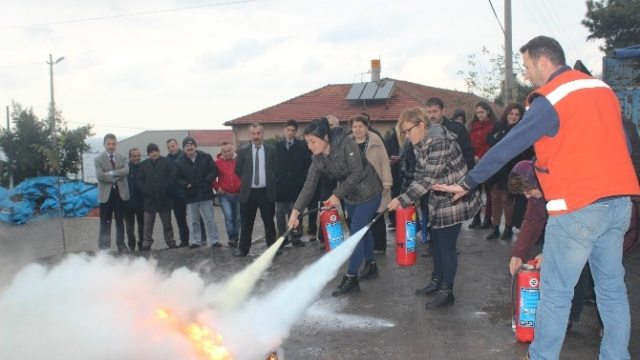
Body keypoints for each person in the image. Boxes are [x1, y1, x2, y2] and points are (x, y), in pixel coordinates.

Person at [434, 36, 639, 359]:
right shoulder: (601, 90)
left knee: (555, 293)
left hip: (578, 208)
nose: (527, 75)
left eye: (527, 67)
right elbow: (625, 146)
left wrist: (469, 181)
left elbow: (511, 143)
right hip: (618, 204)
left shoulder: (554, 97)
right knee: (611, 290)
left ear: (545, 62)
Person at [388, 107, 481, 308]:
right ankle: (436, 281)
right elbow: (420, 175)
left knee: (446, 245)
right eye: (403, 132)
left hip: (455, 197)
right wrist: (406, 195)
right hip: (437, 197)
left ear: (421, 125)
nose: (406, 135)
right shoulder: (418, 142)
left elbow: (429, 178)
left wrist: (402, 199)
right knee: (436, 242)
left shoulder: (439, 142)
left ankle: (447, 291)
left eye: (408, 130)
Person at [288, 118, 383, 296]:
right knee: (363, 230)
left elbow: (357, 173)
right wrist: (296, 211)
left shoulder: (347, 144)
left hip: (369, 192)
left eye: (313, 141)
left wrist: (336, 195)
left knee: (356, 233)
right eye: (308, 142)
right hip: (351, 197)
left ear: (325, 137)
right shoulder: (317, 159)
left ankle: (351, 277)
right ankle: (371, 265)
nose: (310, 146)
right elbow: (309, 186)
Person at [507, 160, 602, 335]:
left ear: (538, 182)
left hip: (593, 223)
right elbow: (532, 220)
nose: (528, 196)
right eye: (524, 194)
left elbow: (572, 222)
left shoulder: (562, 185)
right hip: (575, 228)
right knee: (576, 270)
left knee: (602, 278)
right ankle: (566, 318)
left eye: (529, 191)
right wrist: (518, 253)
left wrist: (550, 251)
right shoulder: (538, 192)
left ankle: (607, 326)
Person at [485, 103, 533, 240]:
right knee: (495, 198)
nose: (513, 117)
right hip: (496, 169)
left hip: (512, 169)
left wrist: (500, 138)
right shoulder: (498, 126)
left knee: (507, 200)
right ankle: (495, 228)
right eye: (511, 113)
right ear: (506, 114)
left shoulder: (521, 130)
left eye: (517, 114)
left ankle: (508, 228)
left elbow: (512, 146)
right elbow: (490, 140)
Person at [233, 123, 278, 257]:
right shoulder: (242, 152)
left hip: (266, 192)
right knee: (246, 223)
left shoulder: (272, 150)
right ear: (249, 135)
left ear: (262, 134)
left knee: (269, 222)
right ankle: (243, 249)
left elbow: (276, 168)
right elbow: (238, 170)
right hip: (248, 193)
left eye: (258, 133)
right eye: (253, 134)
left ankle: (272, 249)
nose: (256, 136)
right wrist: (248, 181)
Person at [349, 114, 392, 254]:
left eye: (361, 126)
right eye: (355, 126)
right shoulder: (347, 143)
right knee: (359, 218)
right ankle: (363, 246)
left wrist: (387, 181)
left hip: (375, 183)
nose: (358, 129)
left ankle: (379, 247)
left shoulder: (376, 140)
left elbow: (384, 161)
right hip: (355, 187)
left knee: (376, 215)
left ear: (366, 127)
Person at [175, 136, 221, 249]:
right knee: (193, 220)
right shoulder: (179, 161)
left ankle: (214, 240)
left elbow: (214, 170)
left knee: (209, 219)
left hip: (205, 193)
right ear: (184, 148)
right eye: (186, 146)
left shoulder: (206, 157)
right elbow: (176, 178)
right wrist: (186, 184)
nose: (189, 147)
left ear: (195, 146)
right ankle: (196, 241)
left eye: (191, 145)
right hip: (190, 195)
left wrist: (207, 180)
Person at [275, 119, 312, 248]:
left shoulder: (302, 146)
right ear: (284, 130)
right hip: (281, 187)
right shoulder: (277, 146)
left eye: (293, 131)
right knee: (280, 214)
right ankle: (282, 238)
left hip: (297, 186)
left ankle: (296, 237)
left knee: (296, 213)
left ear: (296, 132)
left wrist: (304, 180)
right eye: (288, 130)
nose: (290, 133)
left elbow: (308, 165)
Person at [136, 143, 177, 250]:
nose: (154, 153)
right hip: (149, 200)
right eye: (151, 152)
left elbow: (172, 177)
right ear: (148, 154)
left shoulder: (167, 162)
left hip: (164, 199)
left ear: (159, 151)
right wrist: (145, 191)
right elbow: (139, 181)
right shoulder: (143, 165)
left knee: (167, 224)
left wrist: (166, 189)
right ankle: (146, 243)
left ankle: (170, 242)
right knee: (147, 225)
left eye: (155, 151)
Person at [95, 133, 130, 252]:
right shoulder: (98, 159)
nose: (111, 146)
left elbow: (126, 171)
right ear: (104, 144)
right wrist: (116, 175)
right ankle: (104, 248)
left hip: (120, 194)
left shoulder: (123, 157)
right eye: (108, 144)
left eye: (113, 144)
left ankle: (121, 244)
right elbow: (100, 176)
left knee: (120, 220)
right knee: (106, 221)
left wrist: (110, 173)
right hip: (106, 196)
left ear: (116, 144)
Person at [467, 101, 497, 229]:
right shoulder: (471, 126)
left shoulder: (494, 126)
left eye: (482, 112)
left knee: (489, 192)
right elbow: (468, 144)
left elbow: (492, 145)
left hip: (487, 162)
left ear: (487, 112)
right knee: (475, 192)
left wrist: (482, 156)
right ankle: (476, 217)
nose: (479, 115)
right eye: (478, 112)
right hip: (474, 163)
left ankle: (488, 218)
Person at [212, 142, 242, 247]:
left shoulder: (240, 160)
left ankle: (236, 238)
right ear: (221, 152)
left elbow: (246, 173)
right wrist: (217, 188)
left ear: (233, 149)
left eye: (229, 150)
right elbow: (212, 177)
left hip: (239, 194)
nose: (227, 153)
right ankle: (231, 237)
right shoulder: (217, 163)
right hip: (225, 195)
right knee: (229, 217)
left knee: (238, 218)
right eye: (225, 151)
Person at [166, 138, 190, 247]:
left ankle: (199, 239)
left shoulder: (185, 156)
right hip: (175, 195)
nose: (171, 148)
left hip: (188, 192)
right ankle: (184, 240)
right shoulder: (166, 160)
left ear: (177, 145)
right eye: (169, 147)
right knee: (180, 219)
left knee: (194, 218)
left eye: (173, 146)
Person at [124, 148, 144, 251]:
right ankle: (131, 245)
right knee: (129, 227)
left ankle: (142, 245)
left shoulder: (144, 167)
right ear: (130, 157)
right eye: (134, 156)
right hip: (128, 203)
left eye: (138, 156)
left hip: (141, 202)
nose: (137, 158)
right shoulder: (125, 169)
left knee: (142, 226)